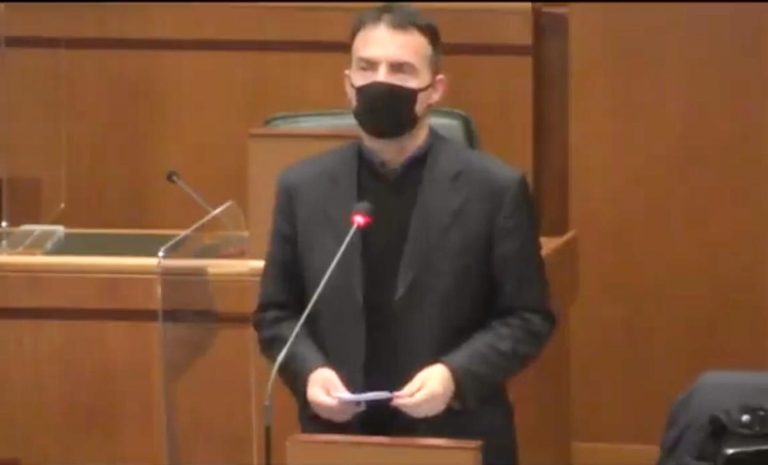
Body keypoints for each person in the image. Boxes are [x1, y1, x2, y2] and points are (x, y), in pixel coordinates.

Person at [253, 3, 556, 464]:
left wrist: (455, 376)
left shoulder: (494, 190)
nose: (381, 81)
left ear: (435, 89)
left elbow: (528, 317)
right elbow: (276, 313)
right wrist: (310, 372)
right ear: (348, 84)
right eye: (367, 67)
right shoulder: (302, 188)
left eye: (401, 70)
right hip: (339, 438)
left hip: (454, 435)